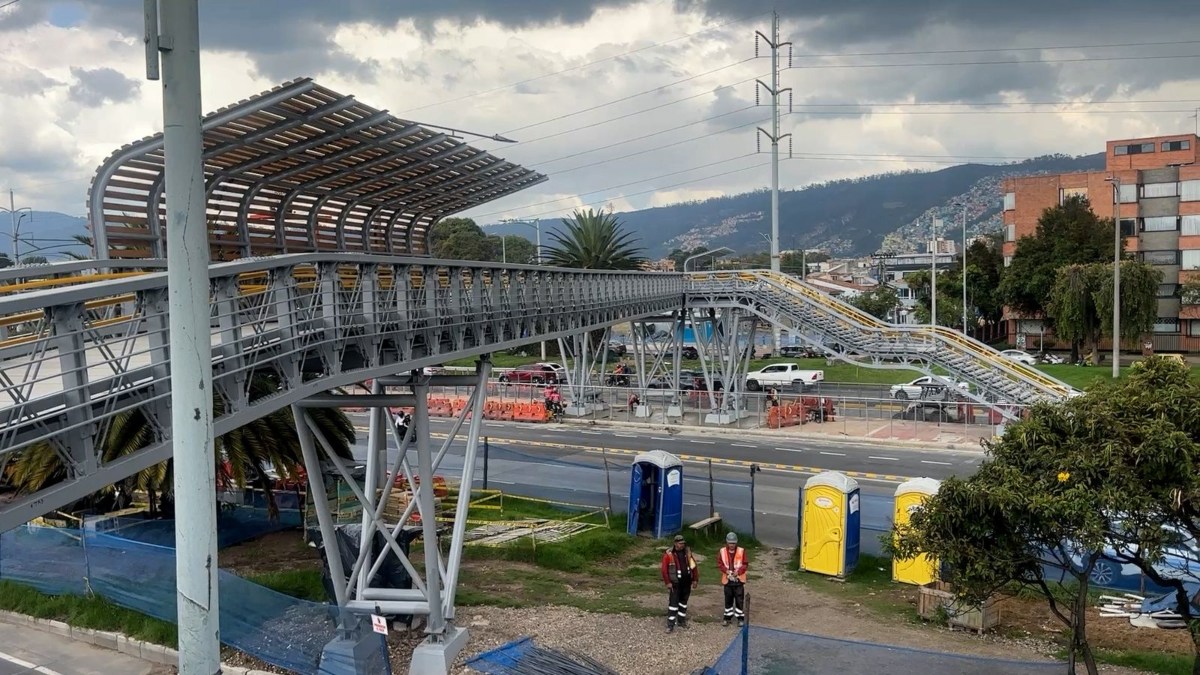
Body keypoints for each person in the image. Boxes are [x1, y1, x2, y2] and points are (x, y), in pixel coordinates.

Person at [660, 534, 699, 632]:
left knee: (683, 603)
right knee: (673, 604)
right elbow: (664, 570)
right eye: (680, 543)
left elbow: (693, 567)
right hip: (675, 584)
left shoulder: (688, 553)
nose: (682, 545)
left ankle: (681, 621)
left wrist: (695, 579)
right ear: (675, 543)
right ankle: (670, 625)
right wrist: (668, 582)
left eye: (683, 543)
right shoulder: (669, 555)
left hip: (686, 583)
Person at [717, 532, 748, 627]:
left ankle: (740, 618)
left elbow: (745, 564)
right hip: (727, 580)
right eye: (730, 543)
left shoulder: (741, 551)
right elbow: (720, 564)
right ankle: (727, 618)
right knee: (728, 599)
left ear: (736, 543)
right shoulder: (722, 551)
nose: (732, 545)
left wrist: (738, 572)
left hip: (738, 580)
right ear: (727, 542)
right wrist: (726, 571)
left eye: (733, 543)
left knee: (739, 600)